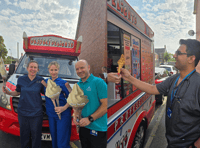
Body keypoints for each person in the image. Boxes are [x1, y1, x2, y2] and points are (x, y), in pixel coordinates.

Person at [119, 39, 200, 148]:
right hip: (171, 143)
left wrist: (195, 146)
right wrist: (129, 77)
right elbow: (152, 89)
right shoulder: (174, 79)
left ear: (191, 58)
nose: (174, 55)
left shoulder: (198, 85)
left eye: (179, 53)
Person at [2, 60, 45, 148]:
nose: (33, 69)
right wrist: (9, 92)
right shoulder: (21, 79)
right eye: (31, 67)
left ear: (38, 70)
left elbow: (48, 93)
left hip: (36, 114)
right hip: (23, 113)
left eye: (35, 67)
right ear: (27, 68)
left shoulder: (41, 80)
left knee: (36, 137)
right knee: (24, 136)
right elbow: (17, 92)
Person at [73, 60, 107, 148]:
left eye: (82, 68)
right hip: (83, 128)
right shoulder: (78, 85)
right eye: (77, 69)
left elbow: (105, 105)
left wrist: (90, 119)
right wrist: (75, 114)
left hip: (97, 128)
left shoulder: (99, 82)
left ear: (88, 67)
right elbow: (77, 104)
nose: (80, 71)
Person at [42, 61, 72, 148]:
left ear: (58, 70)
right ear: (48, 70)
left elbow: (72, 98)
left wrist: (64, 108)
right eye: (51, 70)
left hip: (62, 115)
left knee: (62, 142)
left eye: (55, 70)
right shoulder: (45, 82)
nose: (53, 72)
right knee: (54, 140)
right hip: (51, 115)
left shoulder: (64, 83)